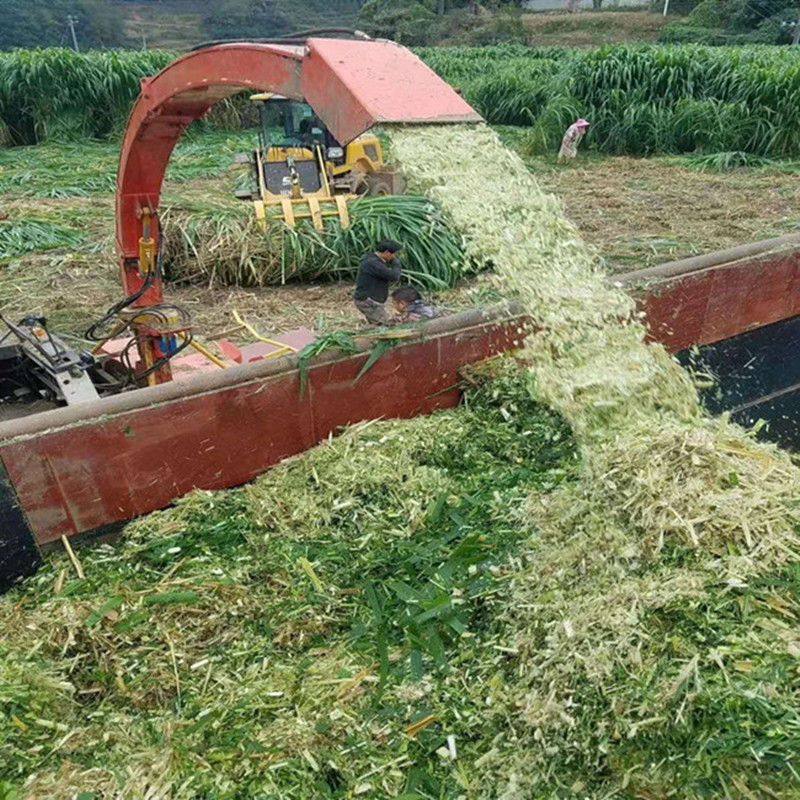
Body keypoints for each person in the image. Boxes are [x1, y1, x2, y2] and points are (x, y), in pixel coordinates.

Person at [353, 240, 403, 325]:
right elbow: (394, 276)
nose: (394, 256)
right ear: (387, 252)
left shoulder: (373, 260)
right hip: (368, 302)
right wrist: (396, 264)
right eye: (393, 254)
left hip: (370, 300)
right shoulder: (373, 263)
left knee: (377, 325)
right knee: (386, 326)